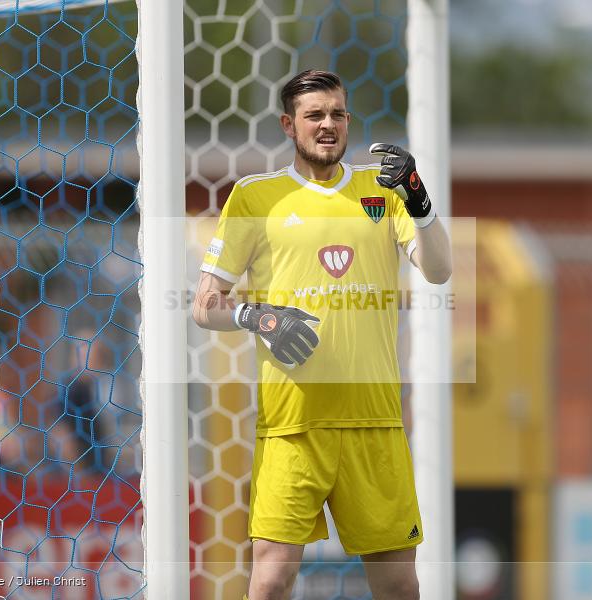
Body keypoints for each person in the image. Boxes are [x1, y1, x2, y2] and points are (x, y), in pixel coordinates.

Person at [191, 69, 452, 600]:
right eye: (314, 115)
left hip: (374, 420)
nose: (327, 125)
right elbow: (205, 305)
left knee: (400, 585)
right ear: (289, 125)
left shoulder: (382, 193)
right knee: (270, 579)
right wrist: (259, 318)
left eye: (337, 113)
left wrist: (418, 195)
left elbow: (440, 270)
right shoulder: (255, 197)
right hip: (293, 423)